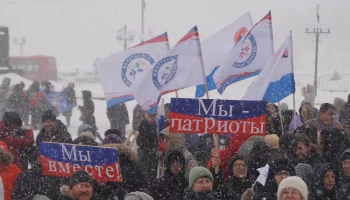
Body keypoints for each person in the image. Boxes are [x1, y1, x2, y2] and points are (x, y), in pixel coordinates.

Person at [136, 112, 159, 185]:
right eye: (150, 115)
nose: (152, 117)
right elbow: (140, 141)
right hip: (146, 156)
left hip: (152, 156)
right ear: (145, 114)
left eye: (154, 115)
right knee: (147, 177)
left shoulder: (154, 124)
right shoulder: (144, 124)